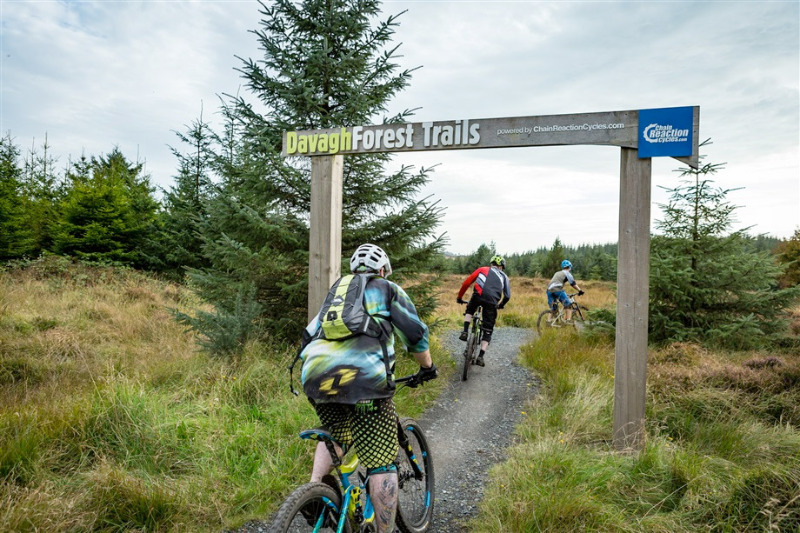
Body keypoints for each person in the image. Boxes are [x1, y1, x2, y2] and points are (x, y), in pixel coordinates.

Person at [299, 243, 437, 533]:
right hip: (366, 384)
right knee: (381, 463)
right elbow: (415, 334)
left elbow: (308, 335)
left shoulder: (338, 292)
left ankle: (313, 489)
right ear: (382, 270)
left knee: (335, 433)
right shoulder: (386, 289)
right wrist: (427, 367)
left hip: (316, 376)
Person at [456, 255, 511, 367]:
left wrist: (460, 297)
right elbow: (507, 296)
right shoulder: (504, 277)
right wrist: (500, 305)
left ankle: (465, 332)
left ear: (492, 264)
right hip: (492, 301)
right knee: (488, 327)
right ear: (501, 267)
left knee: (470, 309)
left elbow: (466, 283)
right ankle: (481, 356)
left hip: (478, 295)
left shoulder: (483, 269)